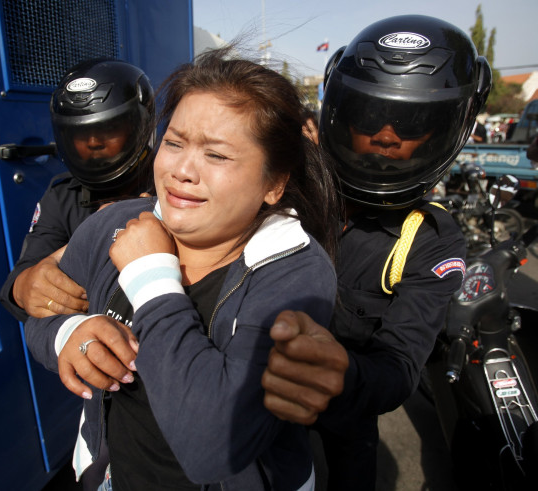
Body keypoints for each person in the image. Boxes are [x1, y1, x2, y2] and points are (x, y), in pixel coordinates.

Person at [25, 46, 341, 490]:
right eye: (173, 143)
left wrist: (152, 276)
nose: (181, 170)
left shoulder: (295, 274)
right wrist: (67, 335)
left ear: (275, 183)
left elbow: (214, 446)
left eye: (217, 155)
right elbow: (40, 312)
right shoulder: (113, 225)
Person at [261, 15, 490, 490]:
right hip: (262, 393)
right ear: (339, 116)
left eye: (412, 123)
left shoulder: (430, 238)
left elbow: (402, 362)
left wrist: (343, 374)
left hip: (350, 402)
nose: (386, 135)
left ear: (447, 129)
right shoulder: (287, 188)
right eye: (369, 118)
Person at [0, 59, 154, 322]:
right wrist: (27, 287)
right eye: (81, 135)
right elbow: (20, 278)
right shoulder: (63, 196)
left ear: (139, 128)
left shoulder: (171, 186)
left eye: (109, 128)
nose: (93, 142)